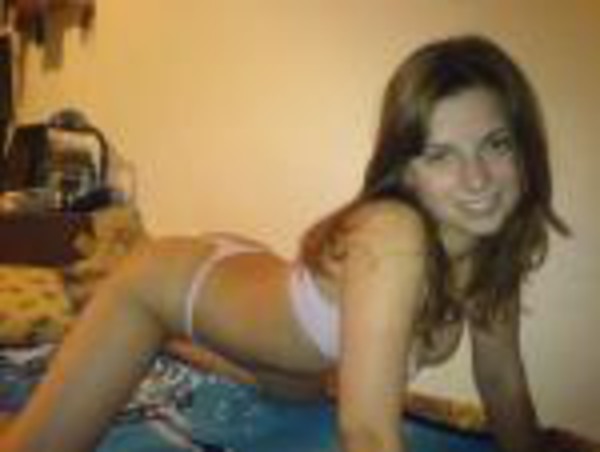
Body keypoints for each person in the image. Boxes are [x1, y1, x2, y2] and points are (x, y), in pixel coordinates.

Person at [0, 34, 570, 452]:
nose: (477, 179)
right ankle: (155, 324)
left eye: (495, 144)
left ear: (525, 147)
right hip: (163, 285)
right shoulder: (393, 235)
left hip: (269, 301)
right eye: (441, 154)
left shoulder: (493, 255)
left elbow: (503, 385)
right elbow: (366, 432)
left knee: (303, 386)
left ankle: (189, 346)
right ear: (405, 169)